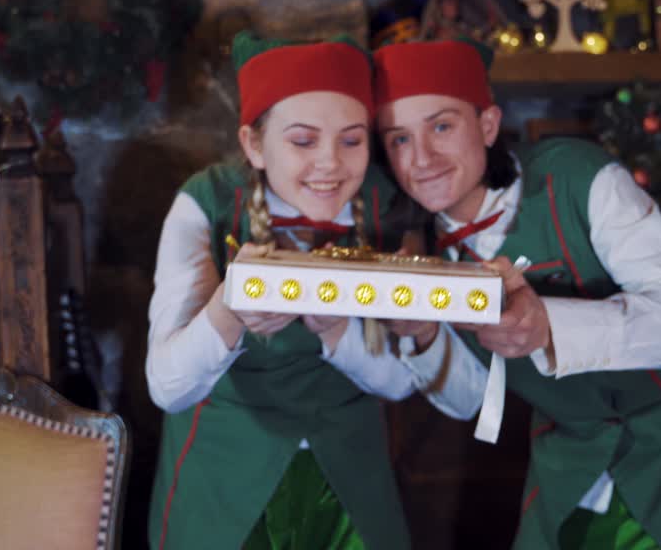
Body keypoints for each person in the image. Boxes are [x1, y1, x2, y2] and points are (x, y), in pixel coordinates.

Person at [372, 38, 661, 550]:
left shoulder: (580, 177)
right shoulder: (427, 253)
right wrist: (423, 334)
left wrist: (546, 324)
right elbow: (470, 397)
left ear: (488, 125)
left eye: (442, 126)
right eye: (399, 139)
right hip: (572, 462)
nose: (422, 158)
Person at [146, 31, 485, 550]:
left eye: (351, 140)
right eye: (303, 141)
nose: (331, 163)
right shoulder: (206, 203)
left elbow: (400, 384)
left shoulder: (388, 205)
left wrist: (339, 334)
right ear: (254, 145)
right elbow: (167, 387)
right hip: (223, 481)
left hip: (351, 480)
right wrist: (230, 312)